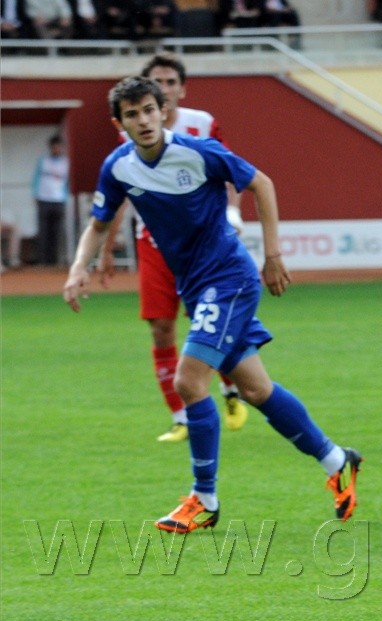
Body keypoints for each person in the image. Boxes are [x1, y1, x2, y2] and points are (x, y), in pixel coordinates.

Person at [63, 75, 362, 535]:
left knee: (189, 381)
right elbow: (99, 223)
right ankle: (338, 460)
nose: (143, 120)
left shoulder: (197, 152)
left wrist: (274, 254)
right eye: (132, 114)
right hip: (197, 286)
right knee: (257, 390)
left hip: (228, 280)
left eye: (148, 109)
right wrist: (78, 267)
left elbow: (261, 182)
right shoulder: (118, 167)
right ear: (118, 123)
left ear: (163, 110)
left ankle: (204, 499)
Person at [99, 53, 249, 443]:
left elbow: (232, 172)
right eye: (156, 82)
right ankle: (181, 416)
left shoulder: (201, 125)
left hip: (203, 245)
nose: (162, 90)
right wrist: (106, 245)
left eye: (169, 83)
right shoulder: (129, 136)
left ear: (178, 91)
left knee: (211, 324)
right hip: (152, 242)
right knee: (160, 327)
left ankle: (231, 391)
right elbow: (116, 194)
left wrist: (232, 214)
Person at [31, 134, 68, 266]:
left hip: (59, 200)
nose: (56, 149)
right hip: (43, 199)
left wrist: (66, 197)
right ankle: (42, 260)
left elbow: (67, 182)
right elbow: (36, 178)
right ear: (50, 147)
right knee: (43, 231)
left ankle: (54, 260)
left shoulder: (65, 163)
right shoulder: (43, 161)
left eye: (58, 147)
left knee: (56, 232)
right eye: (54, 147)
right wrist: (34, 194)